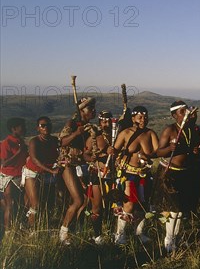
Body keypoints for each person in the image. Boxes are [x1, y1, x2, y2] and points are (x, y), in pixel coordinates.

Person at [153, 101, 200, 253]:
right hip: (169, 173)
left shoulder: (191, 130)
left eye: (186, 111)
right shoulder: (170, 130)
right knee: (172, 210)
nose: (185, 114)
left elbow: (193, 150)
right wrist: (169, 148)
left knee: (181, 210)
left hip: (184, 173)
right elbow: (158, 152)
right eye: (182, 112)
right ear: (174, 116)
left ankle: (175, 238)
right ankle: (168, 239)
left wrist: (195, 150)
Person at [111, 106, 159, 245]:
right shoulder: (125, 133)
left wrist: (148, 155)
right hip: (128, 174)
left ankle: (139, 233)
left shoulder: (150, 133)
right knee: (129, 205)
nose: (143, 120)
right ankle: (119, 234)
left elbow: (157, 152)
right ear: (133, 118)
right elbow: (115, 150)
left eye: (145, 117)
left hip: (144, 174)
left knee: (143, 205)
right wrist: (112, 151)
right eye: (140, 117)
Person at [57, 97, 96, 245]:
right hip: (68, 165)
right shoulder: (72, 124)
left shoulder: (88, 127)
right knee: (78, 199)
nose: (93, 111)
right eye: (90, 108)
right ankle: (64, 232)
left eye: (93, 108)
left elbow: (84, 151)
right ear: (82, 110)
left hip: (80, 165)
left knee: (85, 200)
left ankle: (75, 229)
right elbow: (61, 142)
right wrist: (76, 133)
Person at [22, 116, 60, 230]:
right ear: (38, 128)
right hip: (33, 172)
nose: (46, 127)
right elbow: (34, 159)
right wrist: (51, 170)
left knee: (48, 204)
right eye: (42, 126)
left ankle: (43, 228)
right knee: (36, 205)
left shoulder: (54, 140)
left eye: (48, 125)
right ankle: (32, 230)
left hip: (47, 174)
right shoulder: (34, 141)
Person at [82, 110, 113, 244]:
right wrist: (92, 158)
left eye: (108, 121)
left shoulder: (116, 136)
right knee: (97, 207)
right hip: (97, 175)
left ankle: (111, 232)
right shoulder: (94, 138)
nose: (106, 123)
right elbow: (84, 154)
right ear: (100, 122)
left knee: (112, 205)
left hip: (114, 175)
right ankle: (97, 235)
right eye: (103, 121)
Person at [0, 117, 28, 233]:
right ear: (14, 129)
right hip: (9, 176)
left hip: (20, 175)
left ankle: (19, 226)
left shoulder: (20, 141)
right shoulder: (7, 143)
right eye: (22, 126)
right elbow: (4, 163)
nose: (24, 129)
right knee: (10, 204)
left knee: (21, 203)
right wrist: (19, 153)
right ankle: (8, 232)